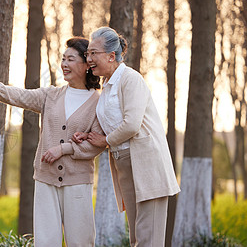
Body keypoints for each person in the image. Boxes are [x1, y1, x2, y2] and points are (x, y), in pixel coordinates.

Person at [0, 37, 105, 247]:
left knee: (81, 242)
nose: (64, 64)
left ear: (87, 64)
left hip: (77, 182)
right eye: (63, 59)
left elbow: (96, 145)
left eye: (70, 59)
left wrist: (63, 149)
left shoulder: (98, 102)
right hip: (45, 178)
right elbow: (20, 96)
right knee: (45, 242)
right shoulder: (51, 95)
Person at [74, 27, 180, 246]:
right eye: (88, 54)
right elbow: (112, 123)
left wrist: (104, 141)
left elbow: (131, 124)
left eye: (94, 53)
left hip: (146, 163)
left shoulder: (130, 79)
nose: (89, 59)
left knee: (148, 237)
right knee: (136, 237)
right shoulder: (107, 86)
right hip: (124, 164)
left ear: (111, 56)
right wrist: (89, 135)